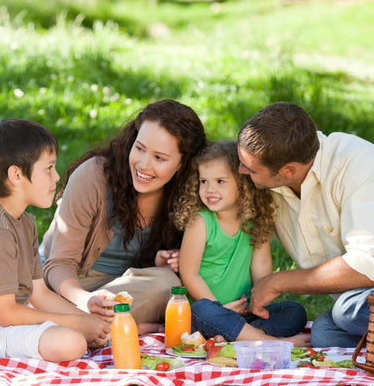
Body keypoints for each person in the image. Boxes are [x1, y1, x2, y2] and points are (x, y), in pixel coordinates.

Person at [0, 119, 110, 362]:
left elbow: (38, 293)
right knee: (71, 341)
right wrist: (76, 323)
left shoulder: (24, 221)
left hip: (12, 318)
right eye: (49, 168)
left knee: (88, 329)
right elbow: (6, 315)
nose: (56, 177)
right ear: (16, 175)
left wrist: (85, 319)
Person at [41, 99, 207, 334]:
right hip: (69, 285)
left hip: (126, 290)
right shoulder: (93, 177)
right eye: (139, 148)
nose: (143, 165)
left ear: (182, 164)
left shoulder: (191, 195)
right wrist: (86, 300)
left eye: (159, 158)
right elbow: (58, 264)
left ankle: (87, 327)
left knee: (167, 284)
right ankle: (119, 327)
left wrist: (169, 261)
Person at [237, 102, 374, 348]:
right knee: (325, 333)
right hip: (362, 298)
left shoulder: (360, 166)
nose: (240, 171)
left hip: (361, 294)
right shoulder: (272, 182)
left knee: (347, 311)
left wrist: (280, 280)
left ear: (288, 170)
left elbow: (368, 263)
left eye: (250, 169)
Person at [174, 141, 309, 346]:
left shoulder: (255, 222)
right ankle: (272, 342)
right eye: (204, 181)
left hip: (242, 314)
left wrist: (258, 304)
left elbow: (262, 271)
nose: (209, 189)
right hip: (207, 314)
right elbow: (189, 274)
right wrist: (219, 308)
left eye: (220, 181)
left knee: (295, 312)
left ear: (243, 184)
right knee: (202, 310)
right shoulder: (200, 222)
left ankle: (241, 336)